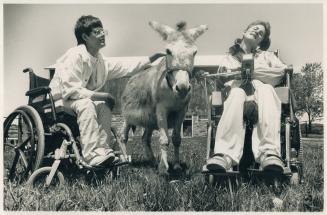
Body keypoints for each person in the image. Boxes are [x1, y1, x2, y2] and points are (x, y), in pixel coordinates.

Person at [49, 15, 164, 167]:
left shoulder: (100, 60)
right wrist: (98, 94)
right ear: (85, 36)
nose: (102, 34)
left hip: (80, 101)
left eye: (103, 31)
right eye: (97, 32)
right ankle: (91, 155)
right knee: (87, 104)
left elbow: (123, 66)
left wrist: (150, 59)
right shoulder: (75, 55)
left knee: (103, 105)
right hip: (60, 102)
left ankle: (103, 151)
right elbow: (70, 89)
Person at [206, 20, 287, 173]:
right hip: (236, 99)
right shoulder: (228, 58)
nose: (257, 31)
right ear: (244, 32)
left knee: (267, 89)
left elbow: (281, 73)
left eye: (261, 33)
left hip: (261, 98)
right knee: (236, 93)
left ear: (261, 41)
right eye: (254, 28)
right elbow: (222, 79)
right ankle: (225, 155)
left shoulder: (267, 56)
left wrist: (251, 72)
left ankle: (268, 154)